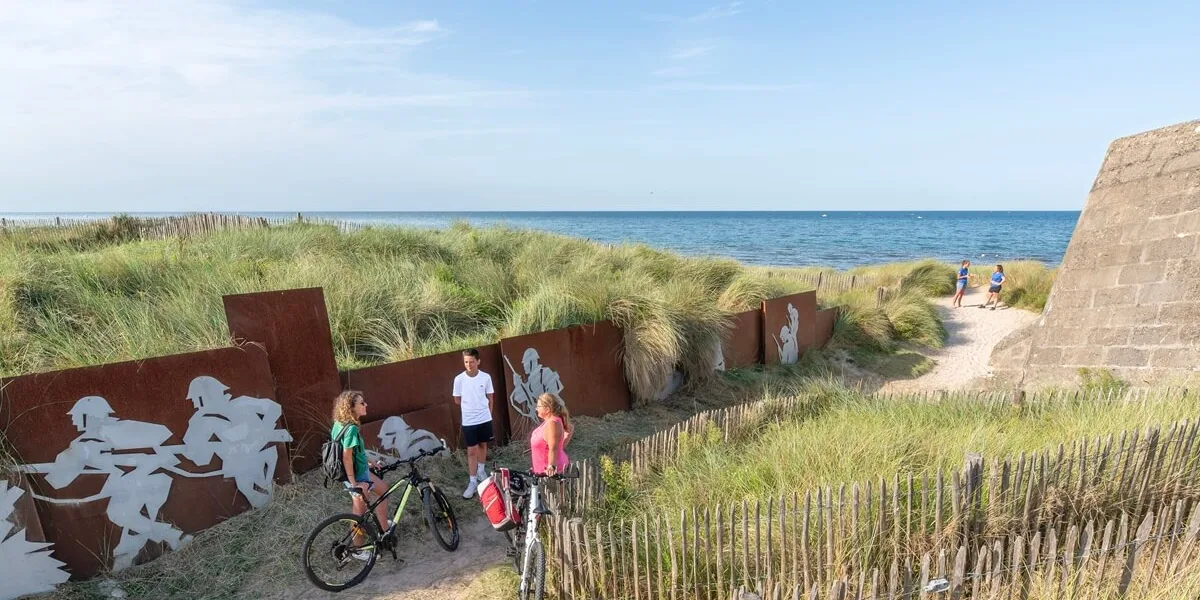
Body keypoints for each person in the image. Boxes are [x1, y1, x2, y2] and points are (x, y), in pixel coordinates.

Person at [331, 390, 390, 558]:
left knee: (383, 490)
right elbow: (347, 456)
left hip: (360, 472)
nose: (366, 405)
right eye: (362, 403)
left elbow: (358, 451)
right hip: (356, 476)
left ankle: (383, 527)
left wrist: (370, 462)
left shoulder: (339, 424)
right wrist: (354, 483)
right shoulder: (350, 429)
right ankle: (357, 549)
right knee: (359, 513)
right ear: (351, 407)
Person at [454, 348, 495, 499]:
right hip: (469, 421)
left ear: (478, 361)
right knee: (471, 450)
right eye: (466, 362)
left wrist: (488, 413)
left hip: (484, 418)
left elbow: (490, 397)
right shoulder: (459, 379)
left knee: (483, 445)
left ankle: (481, 471)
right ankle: (472, 482)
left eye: (471, 361)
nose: (469, 365)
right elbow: (457, 400)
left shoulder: (486, 377)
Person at [531, 393, 573, 476]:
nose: (536, 409)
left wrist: (551, 466)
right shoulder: (550, 422)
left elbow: (553, 448)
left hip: (551, 473)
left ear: (547, 409)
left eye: (538, 407)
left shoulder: (552, 423)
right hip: (542, 471)